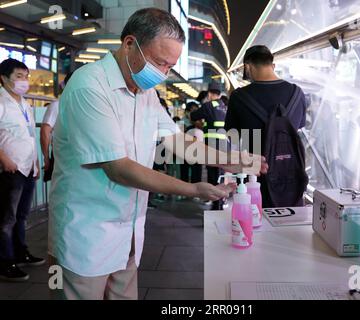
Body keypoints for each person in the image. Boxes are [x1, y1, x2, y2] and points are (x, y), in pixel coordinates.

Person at [48, 8, 267, 300]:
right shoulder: (89, 86)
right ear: (129, 44)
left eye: (169, 67)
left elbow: (176, 141)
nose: (162, 74)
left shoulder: (144, 92)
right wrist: (191, 189)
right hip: (86, 235)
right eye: (159, 62)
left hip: (128, 234)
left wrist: (235, 160)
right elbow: (119, 168)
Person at [225, 45, 307, 208]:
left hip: (256, 178)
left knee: (257, 227)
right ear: (272, 65)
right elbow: (300, 126)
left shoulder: (239, 97)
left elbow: (232, 134)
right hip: (292, 178)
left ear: (247, 67)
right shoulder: (298, 93)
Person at [0, 58, 45, 282]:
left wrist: (36, 163)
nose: (24, 81)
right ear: (4, 78)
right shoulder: (0, 102)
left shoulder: (24, 103)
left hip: (28, 167)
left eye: (26, 77)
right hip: (10, 168)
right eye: (19, 76)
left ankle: (21, 252)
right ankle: (5, 262)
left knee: (21, 215)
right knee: (6, 218)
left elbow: (29, 135)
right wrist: (4, 159)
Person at [190, 82, 228, 210]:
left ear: (210, 94)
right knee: (221, 174)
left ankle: (216, 205)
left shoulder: (209, 105)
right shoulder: (225, 107)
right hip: (224, 145)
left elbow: (193, 116)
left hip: (212, 144)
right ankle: (221, 202)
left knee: (213, 175)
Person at [40, 72, 74, 182]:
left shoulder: (86, 105)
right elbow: (45, 132)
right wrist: (46, 158)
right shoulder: (57, 105)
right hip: (62, 155)